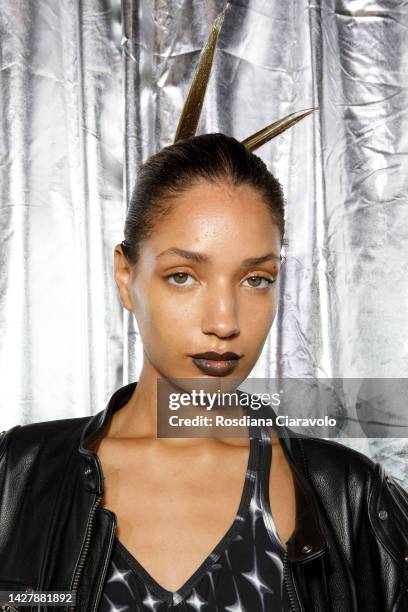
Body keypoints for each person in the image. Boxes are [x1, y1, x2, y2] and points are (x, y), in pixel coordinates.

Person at [1, 6, 408, 612]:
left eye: (256, 279)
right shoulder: (17, 478)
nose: (225, 321)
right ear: (125, 276)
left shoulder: (350, 498)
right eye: (183, 275)